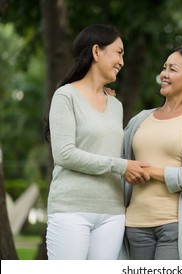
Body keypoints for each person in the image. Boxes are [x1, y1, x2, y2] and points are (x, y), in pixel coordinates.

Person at [45, 23, 150, 260]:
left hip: (112, 213)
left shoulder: (116, 105)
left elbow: (110, 150)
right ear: (96, 52)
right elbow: (64, 154)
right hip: (71, 210)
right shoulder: (65, 96)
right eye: (119, 52)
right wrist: (122, 166)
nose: (122, 61)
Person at [122, 46, 182, 260]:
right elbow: (117, 159)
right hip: (134, 225)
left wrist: (152, 171)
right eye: (164, 67)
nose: (164, 74)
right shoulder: (141, 119)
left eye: (172, 69)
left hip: (174, 227)